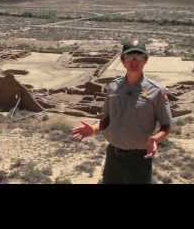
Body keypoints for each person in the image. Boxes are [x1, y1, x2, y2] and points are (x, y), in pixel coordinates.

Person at [72, 39, 172, 184]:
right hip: (114, 155)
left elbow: (166, 126)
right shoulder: (113, 87)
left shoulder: (156, 91)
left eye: (139, 57)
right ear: (122, 60)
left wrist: (155, 139)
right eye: (130, 57)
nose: (134, 61)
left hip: (139, 159)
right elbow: (107, 119)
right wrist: (93, 129)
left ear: (146, 60)